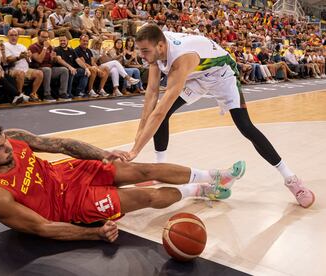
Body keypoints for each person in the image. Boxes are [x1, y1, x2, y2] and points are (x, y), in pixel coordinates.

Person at [0, 119, 245, 242]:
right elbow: (41, 227)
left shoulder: (15, 138)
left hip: (70, 172)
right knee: (145, 196)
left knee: (144, 170)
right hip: (70, 206)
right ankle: (202, 190)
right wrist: (92, 234)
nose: (8, 149)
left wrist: (103, 155)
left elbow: (59, 144)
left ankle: (214, 175)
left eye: (5, 142)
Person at [128, 24, 314, 208]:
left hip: (222, 72)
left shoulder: (180, 58)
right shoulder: (155, 47)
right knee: (163, 113)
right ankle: (160, 171)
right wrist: (136, 143)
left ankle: (291, 179)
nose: (142, 56)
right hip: (198, 74)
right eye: (141, 51)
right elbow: (151, 94)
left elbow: (158, 111)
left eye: (144, 51)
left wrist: (134, 151)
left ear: (160, 46)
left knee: (245, 126)